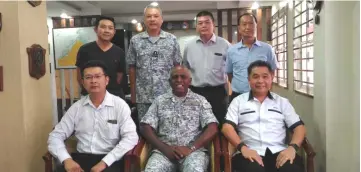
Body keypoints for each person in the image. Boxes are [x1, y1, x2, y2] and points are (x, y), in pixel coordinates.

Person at [48, 60, 138, 172]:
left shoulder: (119, 105)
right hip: (81, 159)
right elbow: (55, 136)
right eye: (88, 77)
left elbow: (131, 138)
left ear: (106, 80)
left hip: (110, 160)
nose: (93, 81)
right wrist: (67, 160)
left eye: (97, 76)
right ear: (83, 82)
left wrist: (104, 163)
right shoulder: (77, 107)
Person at [222, 60, 306, 172]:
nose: (260, 81)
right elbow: (227, 127)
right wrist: (242, 148)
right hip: (249, 152)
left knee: (291, 169)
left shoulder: (282, 102)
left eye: (265, 76)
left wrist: (292, 148)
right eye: (255, 77)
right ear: (249, 79)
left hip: (279, 151)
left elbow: (299, 127)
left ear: (271, 78)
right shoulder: (238, 101)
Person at [140, 66, 218, 172]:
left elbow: (212, 127)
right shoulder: (160, 101)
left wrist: (191, 148)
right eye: (175, 77)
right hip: (164, 153)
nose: (179, 80)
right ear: (169, 81)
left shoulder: (200, 101)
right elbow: (145, 126)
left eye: (183, 77)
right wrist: (164, 148)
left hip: (193, 153)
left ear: (189, 81)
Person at [126, 4, 182, 120]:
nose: (152, 19)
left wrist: (177, 90)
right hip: (143, 96)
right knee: (145, 129)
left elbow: (177, 66)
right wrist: (133, 93)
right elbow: (132, 67)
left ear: (161, 19)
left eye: (156, 16)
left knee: (167, 128)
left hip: (167, 94)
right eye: (149, 16)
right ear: (144, 20)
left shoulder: (171, 39)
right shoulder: (135, 41)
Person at [182, 10, 231, 123]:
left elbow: (231, 70)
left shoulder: (224, 44)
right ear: (196, 26)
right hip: (195, 92)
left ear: (213, 24)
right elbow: (185, 69)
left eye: (207, 22)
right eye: (200, 23)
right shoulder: (189, 46)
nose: (203, 25)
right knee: (196, 125)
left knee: (219, 125)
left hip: (218, 92)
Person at [226, 13, 278, 102]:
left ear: (256, 26)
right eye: (244, 24)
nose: (248, 27)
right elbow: (230, 74)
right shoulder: (231, 50)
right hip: (238, 96)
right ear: (239, 28)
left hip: (261, 95)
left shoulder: (267, 49)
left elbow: (272, 71)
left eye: (251, 24)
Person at [76, 16, 127, 99]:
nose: (107, 30)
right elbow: (79, 76)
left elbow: (119, 77)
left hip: (113, 96)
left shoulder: (119, 52)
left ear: (114, 32)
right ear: (95, 29)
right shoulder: (84, 50)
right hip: (90, 96)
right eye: (103, 27)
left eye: (110, 28)